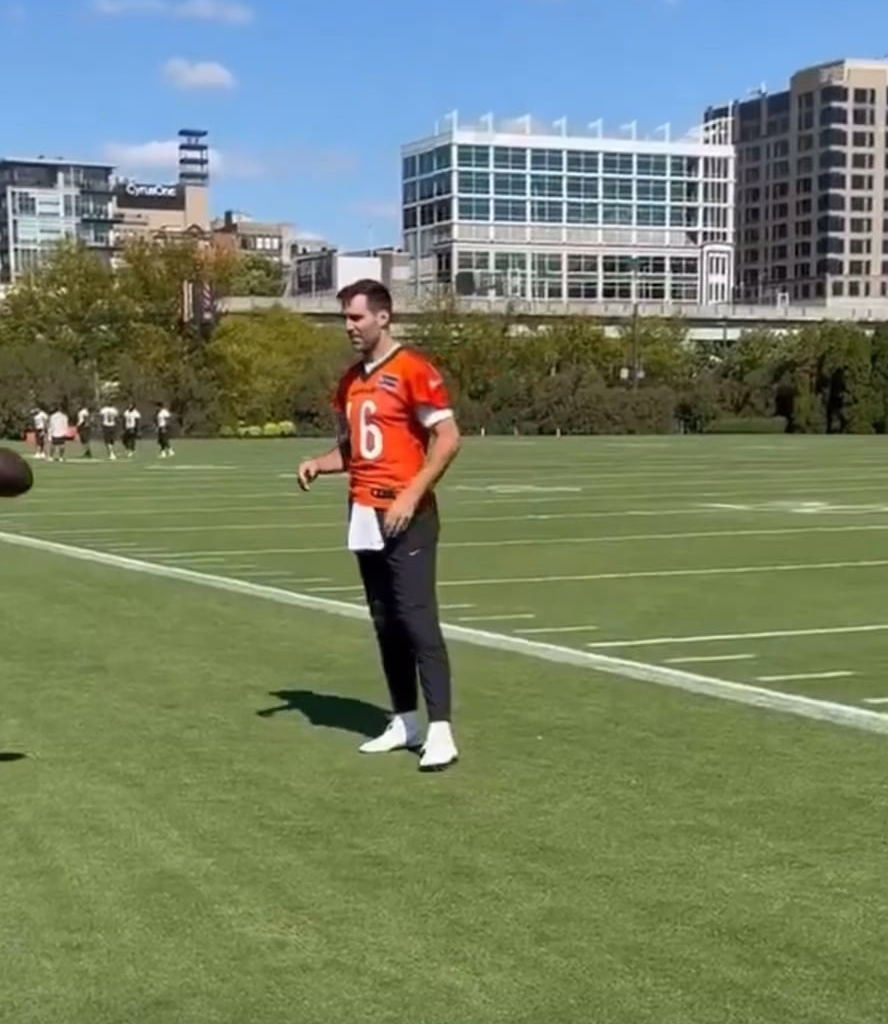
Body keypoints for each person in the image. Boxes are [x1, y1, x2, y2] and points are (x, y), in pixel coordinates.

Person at [297, 279, 462, 772]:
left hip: (406, 512)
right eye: (345, 318)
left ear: (383, 317)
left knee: (417, 619)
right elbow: (357, 447)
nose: (349, 326)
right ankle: (405, 720)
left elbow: (448, 437)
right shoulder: (351, 380)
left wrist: (412, 493)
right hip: (364, 512)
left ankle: (441, 731)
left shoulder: (412, 369)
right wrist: (319, 463)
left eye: (356, 317)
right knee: (384, 621)